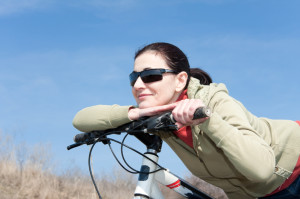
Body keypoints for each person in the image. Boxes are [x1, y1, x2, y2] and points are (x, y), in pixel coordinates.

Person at [72, 42, 300, 199]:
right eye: (134, 78)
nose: (139, 85)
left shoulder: (214, 100)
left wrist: (207, 119)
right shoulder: (158, 118)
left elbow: (261, 170)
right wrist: (135, 113)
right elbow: (80, 120)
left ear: (180, 80)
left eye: (150, 75)